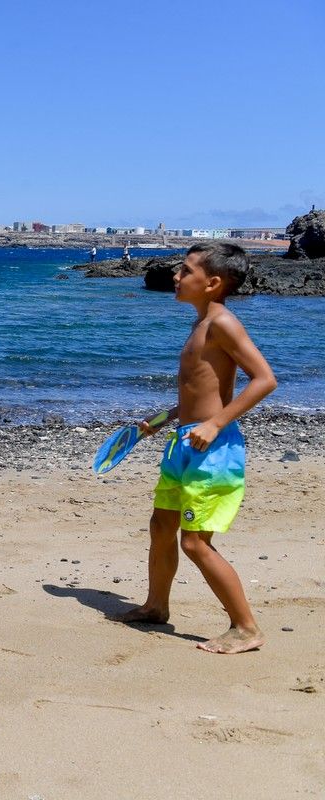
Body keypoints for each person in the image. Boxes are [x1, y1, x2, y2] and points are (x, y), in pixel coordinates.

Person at [114, 242, 275, 653]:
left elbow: (264, 380)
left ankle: (246, 628)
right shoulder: (200, 323)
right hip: (183, 441)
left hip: (212, 449)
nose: (176, 276)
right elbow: (204, 390)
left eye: (186, 271)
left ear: (213, 282)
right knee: (161, 526)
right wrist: (162, 420)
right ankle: (155, 606)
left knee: (194, 542)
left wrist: (216, 423)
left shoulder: (223, 322)